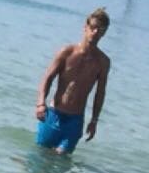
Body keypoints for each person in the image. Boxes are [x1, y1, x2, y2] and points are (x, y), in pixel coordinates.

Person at [36, 9, 110, 153]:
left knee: (61, 160)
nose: (95, 32)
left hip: (75, 120)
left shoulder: (103, 62)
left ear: (104, 33)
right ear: (85, 27)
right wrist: (40, 104)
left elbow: (100, 93)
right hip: (54, 114)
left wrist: (94, 120)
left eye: (100, 29)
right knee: (40, 156)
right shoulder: (67, 52)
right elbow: (48, 78)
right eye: (93, 27)